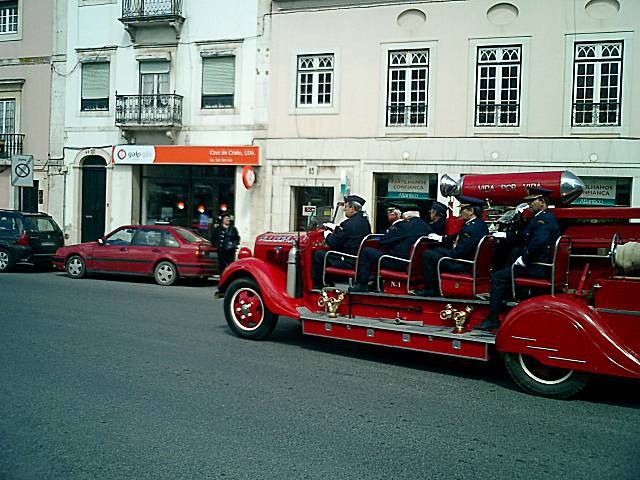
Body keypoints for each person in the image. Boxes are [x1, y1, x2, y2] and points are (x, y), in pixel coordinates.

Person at [476, 187, 560, 331]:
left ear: (542, 202)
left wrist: (525, 259)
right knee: (511, 258)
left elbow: (538, 242)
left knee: (497, 277)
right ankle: (505, 297)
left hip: (537, 266)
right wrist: (505, 236)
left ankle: (493, 317)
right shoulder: (541, 217)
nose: (530, 204)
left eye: (532, 201)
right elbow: (523, 236)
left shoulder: (543, 219)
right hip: (537, 263)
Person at [415, 197, 489, 296]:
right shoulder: (478, 225)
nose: (460, 212)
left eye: (462, 209)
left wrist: (439, 250)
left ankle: (431, 289)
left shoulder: (471, 228)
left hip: (462, 264)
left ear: (471, 211)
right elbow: (456, 237)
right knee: (435, 252)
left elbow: (458, 253)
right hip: (467, 261)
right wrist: (441, 239)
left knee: (428, 255)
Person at [349, 210, 432, 292]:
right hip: (415, 265)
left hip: (398, 262)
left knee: (366, 252)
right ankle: (375, 283)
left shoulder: (404, 226)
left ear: (406, 219)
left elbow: (384, 241)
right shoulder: (427, 227)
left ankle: (362, 284)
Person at [312, 194, 372, 288]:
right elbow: (349, 233)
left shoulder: (348, 223)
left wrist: (326, 234)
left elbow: (334, 242)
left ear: (352, 208)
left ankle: (318, 285)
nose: (344, 209)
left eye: (346, 206)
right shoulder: (365, 222)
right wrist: (336, 228)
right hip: (358, 259)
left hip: (348, 260)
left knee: (318, 254)